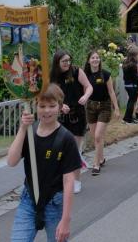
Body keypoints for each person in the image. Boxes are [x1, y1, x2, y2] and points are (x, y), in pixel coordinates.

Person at [8, 84, 81, 242]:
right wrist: (22, 128)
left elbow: (69, 181)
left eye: (52, 106)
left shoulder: (66, 139)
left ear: (60, 107)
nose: (46, 110)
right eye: (42, 106)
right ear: (36, 106)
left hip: (54, 203)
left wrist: (66, 220)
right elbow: (11, 161)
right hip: (29, 200)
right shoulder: (29, 132)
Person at [50, 51, 93, 194]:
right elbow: (50, 95)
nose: (67, 63)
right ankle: (63, 179)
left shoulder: (76, 71)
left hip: (77, 115)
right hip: (61, 116)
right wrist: (60, 105)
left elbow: (89, 86)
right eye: (64, 61)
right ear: (57, 62)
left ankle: (76, 181)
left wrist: (85, 96)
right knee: (61, 150)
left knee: (74, 149)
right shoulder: (53, 77)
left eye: (68, 60)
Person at [83, 50, 121, 176]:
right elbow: (83, 92)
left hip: (104, 107)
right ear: (89, 60)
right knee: (96, 136)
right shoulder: (85, 75)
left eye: (97, 58)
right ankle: (102, 158)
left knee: (98, 136)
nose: (95, 59)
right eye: (93, 57)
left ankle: (96, 164)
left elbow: (111, 92)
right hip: (90, 107)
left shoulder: (105, 74)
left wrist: (116, 108)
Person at [121, 46, 138, 124]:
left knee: (130, 101)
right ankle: (127, 118)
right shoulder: (133, 64)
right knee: (131, 102)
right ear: (135, 54)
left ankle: (128, 117)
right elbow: (135, 77)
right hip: (132, 85)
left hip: (127, 84)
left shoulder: (125, 62)